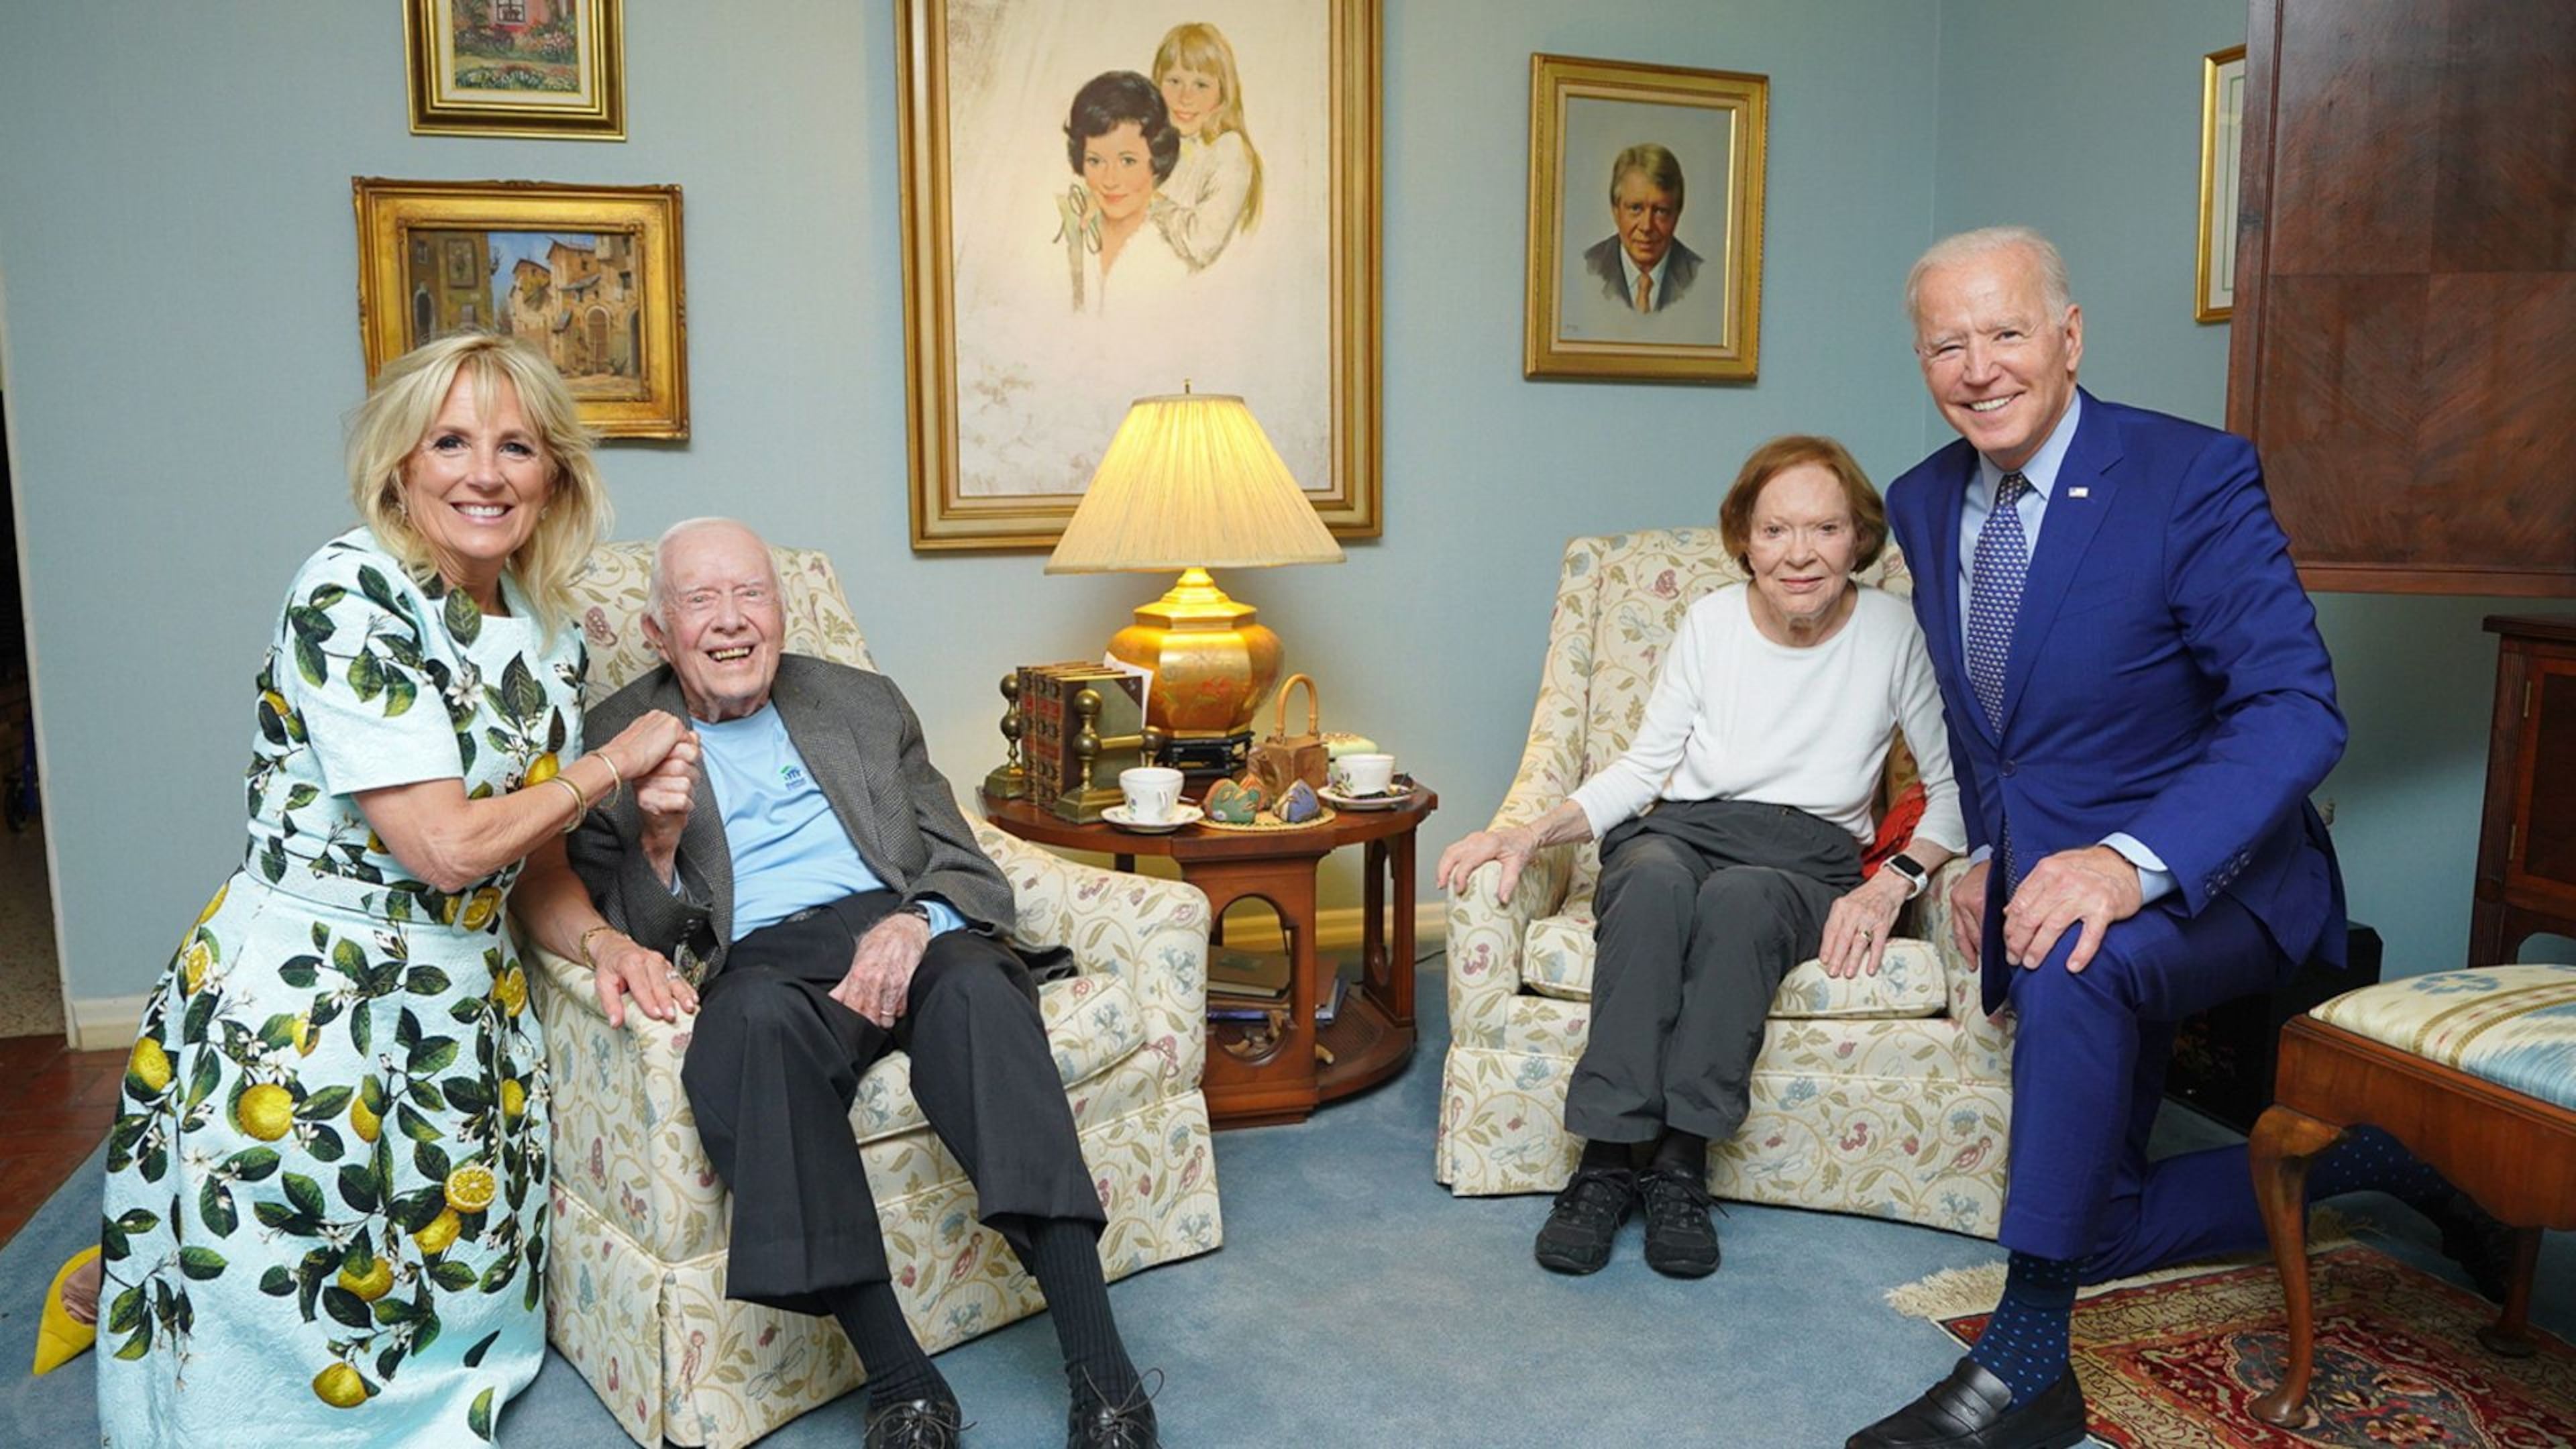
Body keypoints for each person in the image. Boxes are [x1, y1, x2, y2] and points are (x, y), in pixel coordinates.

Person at [1846, 227, 2507, 1449]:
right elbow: (1997, 731)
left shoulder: (2190, 475)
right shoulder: (1925, 499)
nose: (1979, 368)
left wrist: (2126, 864)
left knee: (2072, 963)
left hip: (2220, 879)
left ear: (2070, 337)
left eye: (2007, 333)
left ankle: (2027, 1363)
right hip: (2051, 880)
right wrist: (1986, 855)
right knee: (2096, 1224)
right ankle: (2372, 1163)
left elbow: (2295, 706)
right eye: (1948, 344)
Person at [84, 333, 695, 1445]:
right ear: (400, 465)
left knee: (445, 1306)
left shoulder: (551, 634)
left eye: (517, 447)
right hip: (313, 1007)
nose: (485, 474)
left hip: (465, 1014)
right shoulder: (349, 590)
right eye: (450, 442)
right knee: (284, 1314)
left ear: (553, 476)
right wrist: (614, 763)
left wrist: (605, 943)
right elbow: (449, 849)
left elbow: (532, 869)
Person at [565, 519, 1160, 1449]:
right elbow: (645, 940)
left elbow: (966, 861)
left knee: (981, 995)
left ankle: (1105, 1377)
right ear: (657, 632)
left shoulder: (862, 702)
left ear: (781, 610)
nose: (731, 620)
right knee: (750, 1029)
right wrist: (659, 844)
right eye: (701, 600)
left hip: (903, 923)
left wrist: (915, 922)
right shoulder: (614, 741)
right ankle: (903, 1383)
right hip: (766, 960)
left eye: (751, 594)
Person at [1437, 435, 1966, 1281]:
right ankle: (1606, 1161)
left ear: (1859, 540)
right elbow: (1644, 768)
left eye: (1825, 529)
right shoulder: (1713, 621)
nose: (1799, 554)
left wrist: (1893, 884)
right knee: (1648, 882)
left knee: (1742, 903)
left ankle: (1682, 1164)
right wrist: (1529, 834)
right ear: (1745, 541)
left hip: (1806, 855)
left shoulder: (1894, 630)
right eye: (1776, 530)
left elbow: (1952, 787)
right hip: (1684, 827)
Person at [1056, 70, 1185, 314]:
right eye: (1095, 161)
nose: (1110, 180)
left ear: (1157, 159)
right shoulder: (1065, 234)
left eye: (1127, 161)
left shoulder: (1177, 250)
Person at [1148, 22, 1263, 270]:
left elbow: (1202, 243)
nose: (1185, 97)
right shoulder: (1155, 143)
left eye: (1201, 85)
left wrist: (1151, 200)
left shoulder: (1228, 150)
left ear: (1223, 93)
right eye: (1174, 81)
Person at [1581, 144, 1703, 314]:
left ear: (1677, 213)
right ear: (1616, 210)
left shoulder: (1702, 277)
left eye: (1660, 211)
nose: (1647, 226)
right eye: (1636, 208)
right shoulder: (1587, 269)